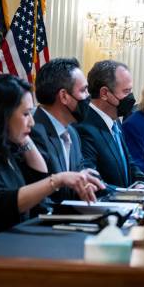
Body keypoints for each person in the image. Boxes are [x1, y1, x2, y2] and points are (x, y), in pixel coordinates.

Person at [0, 75, 103, 249]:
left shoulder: (4, 149)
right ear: (3, 114)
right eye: (26, 114)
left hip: (10, 244)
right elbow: (2, 203)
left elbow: (38, 178)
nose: (32, 122)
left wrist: (24, 138)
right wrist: (59, 179)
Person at [30, 58, 92, 208]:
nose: (88, 97)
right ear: (64, 96)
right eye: (83, 90)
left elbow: (78, 181)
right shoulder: (33, 132)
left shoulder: (72, 132)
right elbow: (40, 200)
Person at [74, 60, 144, 187]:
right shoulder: (84, 127)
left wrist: (141, 184)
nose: (131, 97)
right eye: (126, 91)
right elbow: (91, 180)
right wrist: (126, 195)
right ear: (104, 93)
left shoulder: (115, 120)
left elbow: (130, 163)